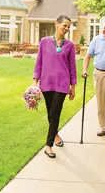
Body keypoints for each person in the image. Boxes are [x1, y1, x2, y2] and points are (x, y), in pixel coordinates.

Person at [33, 15, 77, 158]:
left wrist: (73, 86)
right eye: (64, 25)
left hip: (62, 84)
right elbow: (39, 62)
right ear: (56, 24)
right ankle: (56, 135)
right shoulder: (44, 42)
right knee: (50, 113)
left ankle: (48, 145)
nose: (66, 28)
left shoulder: (69, 45)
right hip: (46, 83)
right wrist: (35, 81)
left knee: (55, 113)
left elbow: (72, 67)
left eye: (68, 27)